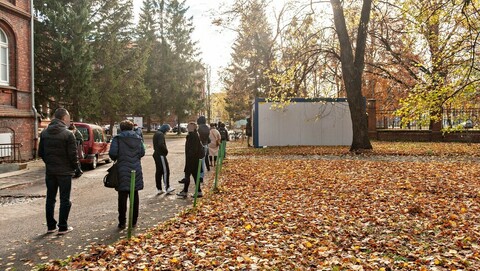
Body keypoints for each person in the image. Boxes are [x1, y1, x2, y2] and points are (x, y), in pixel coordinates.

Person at [38, 108, 81, 235]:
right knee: (64, 199)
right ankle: (63, 227)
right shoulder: (68, 134)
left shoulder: (44, 133)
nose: (68, 121)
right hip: (64, 172)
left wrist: (50, 164)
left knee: (50, 199)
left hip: (50, 171)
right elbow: (73, 155)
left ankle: (51, 226)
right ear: (63, 118)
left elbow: (41, 153)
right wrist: (77, 169)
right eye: (67, 118)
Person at [109, 120, 145, 229]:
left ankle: (122, 222)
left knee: (122, 196)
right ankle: (134, 221)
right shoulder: (138, 138)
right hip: (136, 169)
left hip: (122, 169)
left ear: (121, 128)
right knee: (135, 195)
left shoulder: (117, 139)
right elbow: (142, 152)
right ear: (132, 128)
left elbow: (113, 153)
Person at [177, 122, 205, 198]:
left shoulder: (193, 136)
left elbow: (194, 149)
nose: (188, 128)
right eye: (188, 126)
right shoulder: (193, 135)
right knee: (191, 175)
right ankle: (189, 191)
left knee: (190, 175)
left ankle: (191, 192)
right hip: (192, 159)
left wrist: (190, 156)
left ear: (194, 128)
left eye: (190, 127)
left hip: (192, 160)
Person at [153, 124, 175, 195]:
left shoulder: (156, 133)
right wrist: (166, 151)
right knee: (166, 171)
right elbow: (161, 144)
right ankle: (167, 187)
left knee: (159, 171)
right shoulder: (160, 134)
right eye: (167, 130)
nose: (167, 132)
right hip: (160, 155)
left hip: (156, 154)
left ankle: (159, 188)